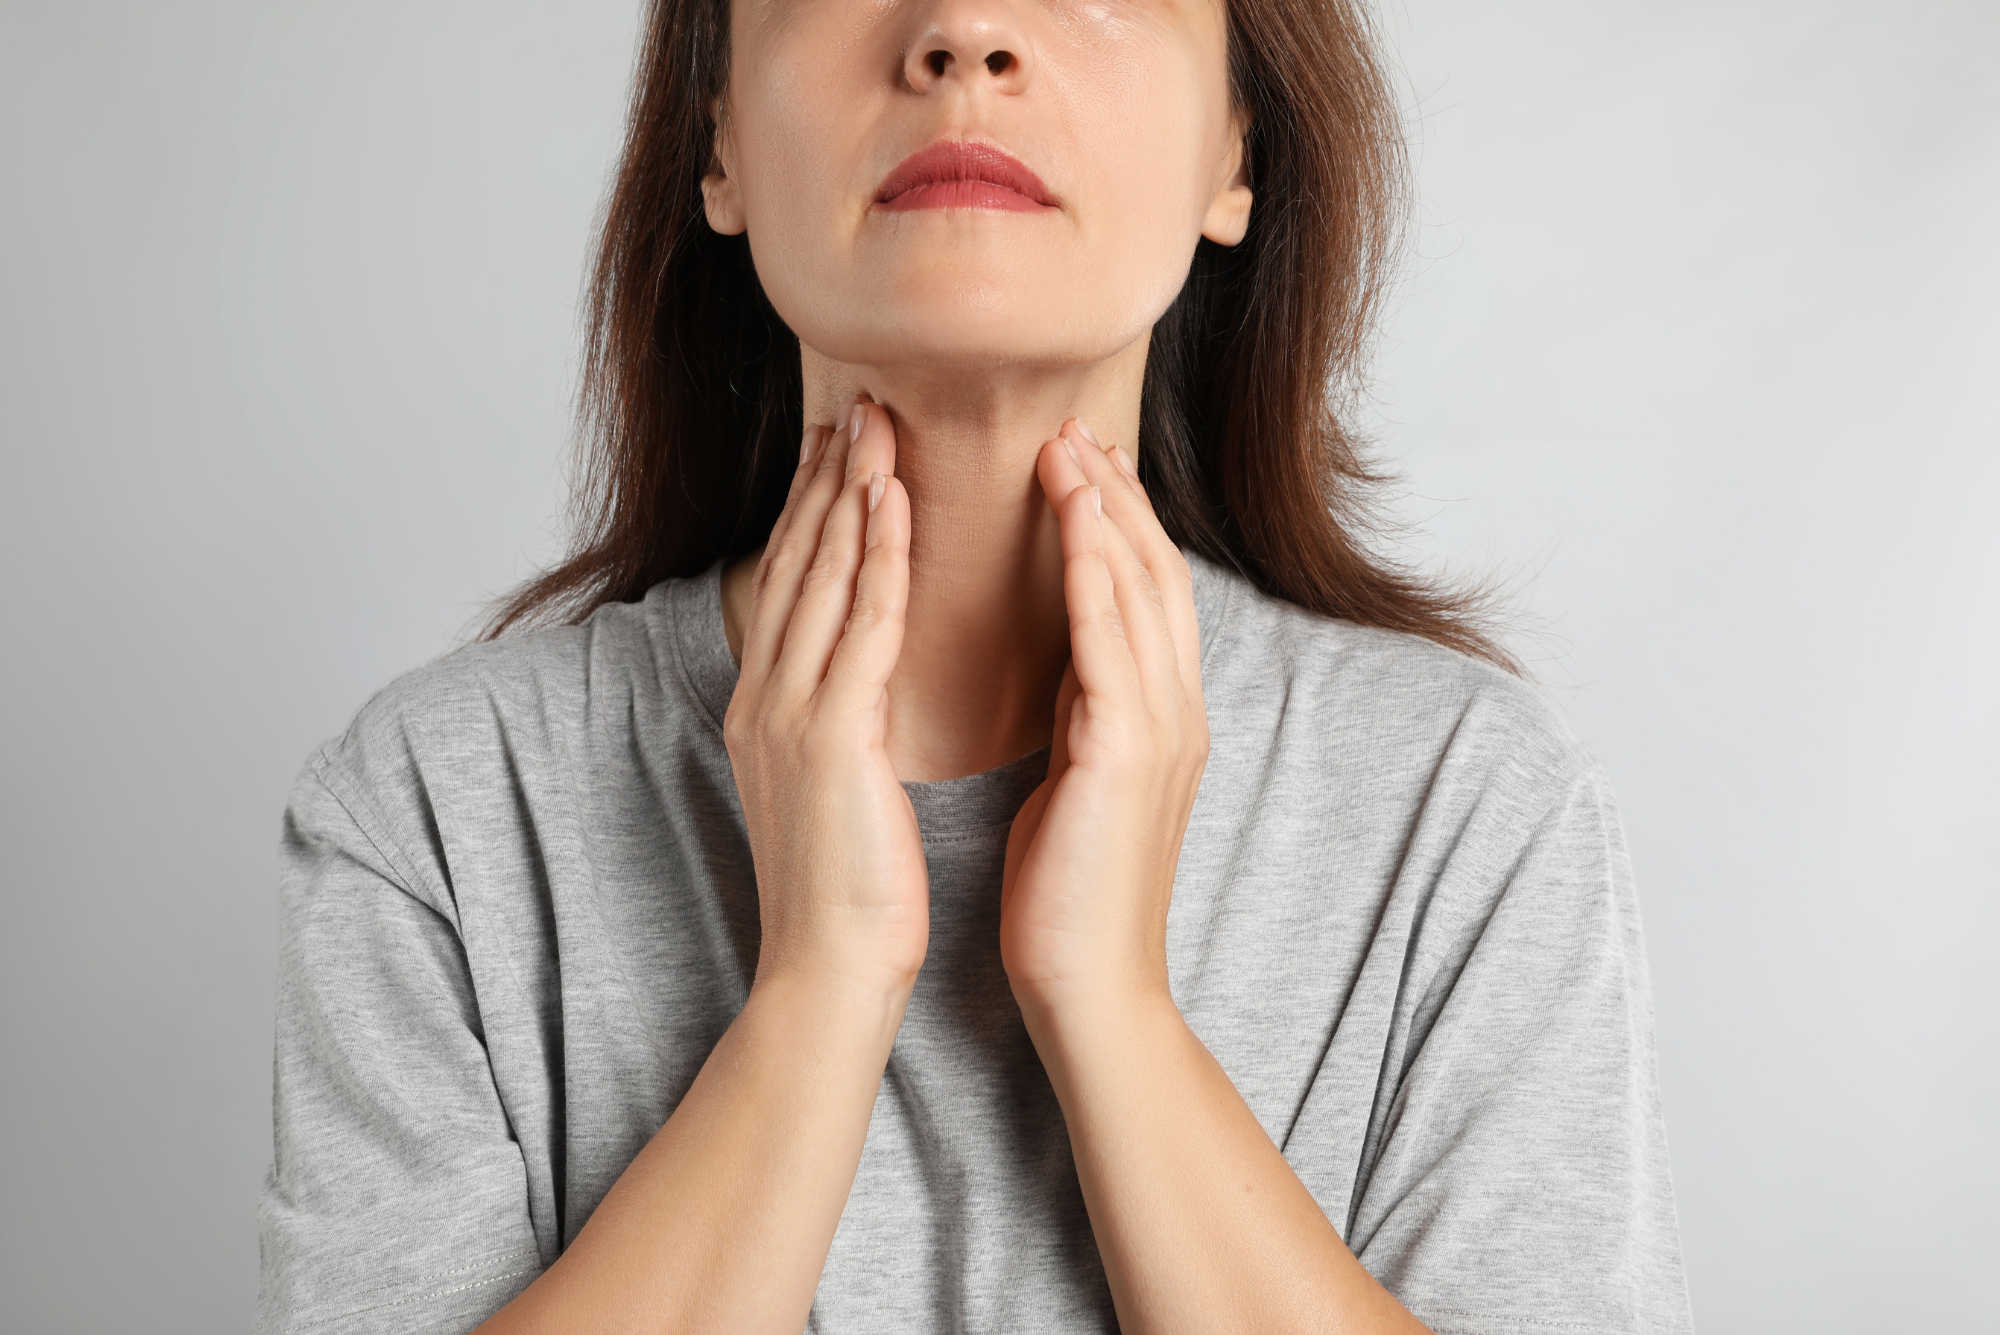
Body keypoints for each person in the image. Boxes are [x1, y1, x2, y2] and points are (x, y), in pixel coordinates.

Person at [255, 0, 1693, 1329]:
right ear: (719, 142)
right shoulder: (435, 813)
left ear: (1236, 151)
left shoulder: (1474, 814)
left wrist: (1113, 1006)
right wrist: (819, 986)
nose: (966, 34)